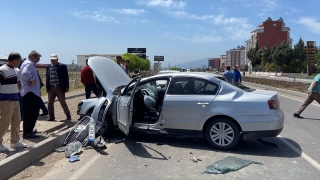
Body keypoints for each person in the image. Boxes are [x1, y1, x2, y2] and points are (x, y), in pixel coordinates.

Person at [0, 52, 27, 151]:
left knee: (16, 121)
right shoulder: (2, 70)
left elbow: (18, 84)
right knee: (5, 122)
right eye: (19, 61)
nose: (20, 63)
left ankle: (14, 142)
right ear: (14, 60)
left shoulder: (17, 70)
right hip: (5, 100)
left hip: (16, 99)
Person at [20, 50, 41, 138]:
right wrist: (32, 79)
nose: (38, 60)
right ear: (31, 56)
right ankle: (28, 132)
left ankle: (28, 130)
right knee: (33, 112)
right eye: (37, 58)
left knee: (29, 112)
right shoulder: (29, 64)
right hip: (31, 92)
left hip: (28, 92)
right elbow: (25, 73)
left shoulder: (25, 63)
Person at [46, 54, 71, 121]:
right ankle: (51, 117)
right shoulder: (48, 67)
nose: (53, 61)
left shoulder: (62, 66)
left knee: (62, 102)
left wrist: (67, 87)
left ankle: (68, 115)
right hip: (51, 87)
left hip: (59, 87)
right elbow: (47, 77)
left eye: (54, 60)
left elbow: (66, 77)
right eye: (51, 60)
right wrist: (47, 88)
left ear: (57, 59)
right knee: (50, 103)